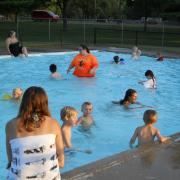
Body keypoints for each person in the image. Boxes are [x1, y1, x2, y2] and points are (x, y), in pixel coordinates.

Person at [6, 86, 64, 180]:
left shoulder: (10, 125)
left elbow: (11, 161)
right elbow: (61, 162)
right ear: (44, 103)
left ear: (23, 103)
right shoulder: (53, 123)